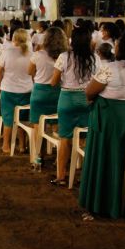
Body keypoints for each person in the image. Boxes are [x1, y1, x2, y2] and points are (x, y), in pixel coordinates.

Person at [80, 27, 125, 219]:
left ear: (123, 47)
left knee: (104, 158)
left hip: (109, 117)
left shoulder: (111, 69)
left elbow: (89, 91)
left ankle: (101, 204)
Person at [50, 27, 96, 185]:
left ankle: (61, 176)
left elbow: (53, 81)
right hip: (87, 98)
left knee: (65, 138)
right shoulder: (95, 58)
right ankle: (85, 175)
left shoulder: (64, 56)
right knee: (85, 138)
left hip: (67, 99)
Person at [28, 27, 66, 168]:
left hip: (40, 92)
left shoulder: (38, 55)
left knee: (38, 126)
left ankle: (38, 157)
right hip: (58, 92)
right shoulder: (65, 55)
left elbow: (29, 71)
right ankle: (59, 157)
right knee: (57, 126)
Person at [0, 29, 33, 153]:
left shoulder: (7, 52)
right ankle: (22, 146)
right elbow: (34, 74)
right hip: (27, 90)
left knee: (8, 118)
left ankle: (6, 146)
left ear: (14, 40)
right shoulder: (31, 54)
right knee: (22, 120)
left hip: (8, 89)